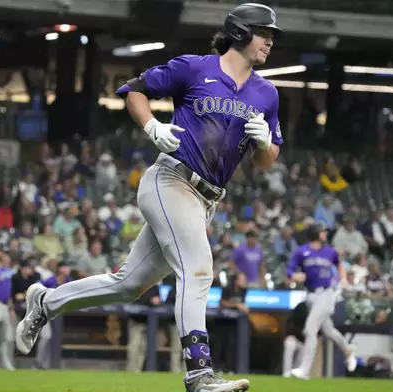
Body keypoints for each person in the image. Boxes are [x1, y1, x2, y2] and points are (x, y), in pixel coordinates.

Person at [16, 3, 283, 391]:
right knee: (197, 269)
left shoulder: (267, 93)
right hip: (170, 180)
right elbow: (134, 91)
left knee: (127, 284)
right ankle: (199, 372)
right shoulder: (195, 67)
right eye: (264, 32)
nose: (270, 41)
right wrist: (152, 125)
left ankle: (45, 302)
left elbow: (267, 161)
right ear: (240, 32)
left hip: (206, 199)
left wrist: (263, 145)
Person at [286, 224, 357, 380]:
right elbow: (290, 272)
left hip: (326, 293)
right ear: (315, 233)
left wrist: (343, 278)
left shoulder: (330, 251)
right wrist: (296, 276)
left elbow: (339, 264)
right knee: (328, 330)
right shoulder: (302, 251)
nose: (325, 234)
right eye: (322, 231)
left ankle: (304, 370)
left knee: (310, 329)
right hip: (311, 295)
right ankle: (347, 350)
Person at [282, 301, 308, 377]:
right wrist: (289, 333)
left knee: (304, 354)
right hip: (294, 337)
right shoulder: (302, 306)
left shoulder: (318, 309)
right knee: (289, 343)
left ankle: (296, 372)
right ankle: (286, 372)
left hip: (305, 341)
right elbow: (290, 320)